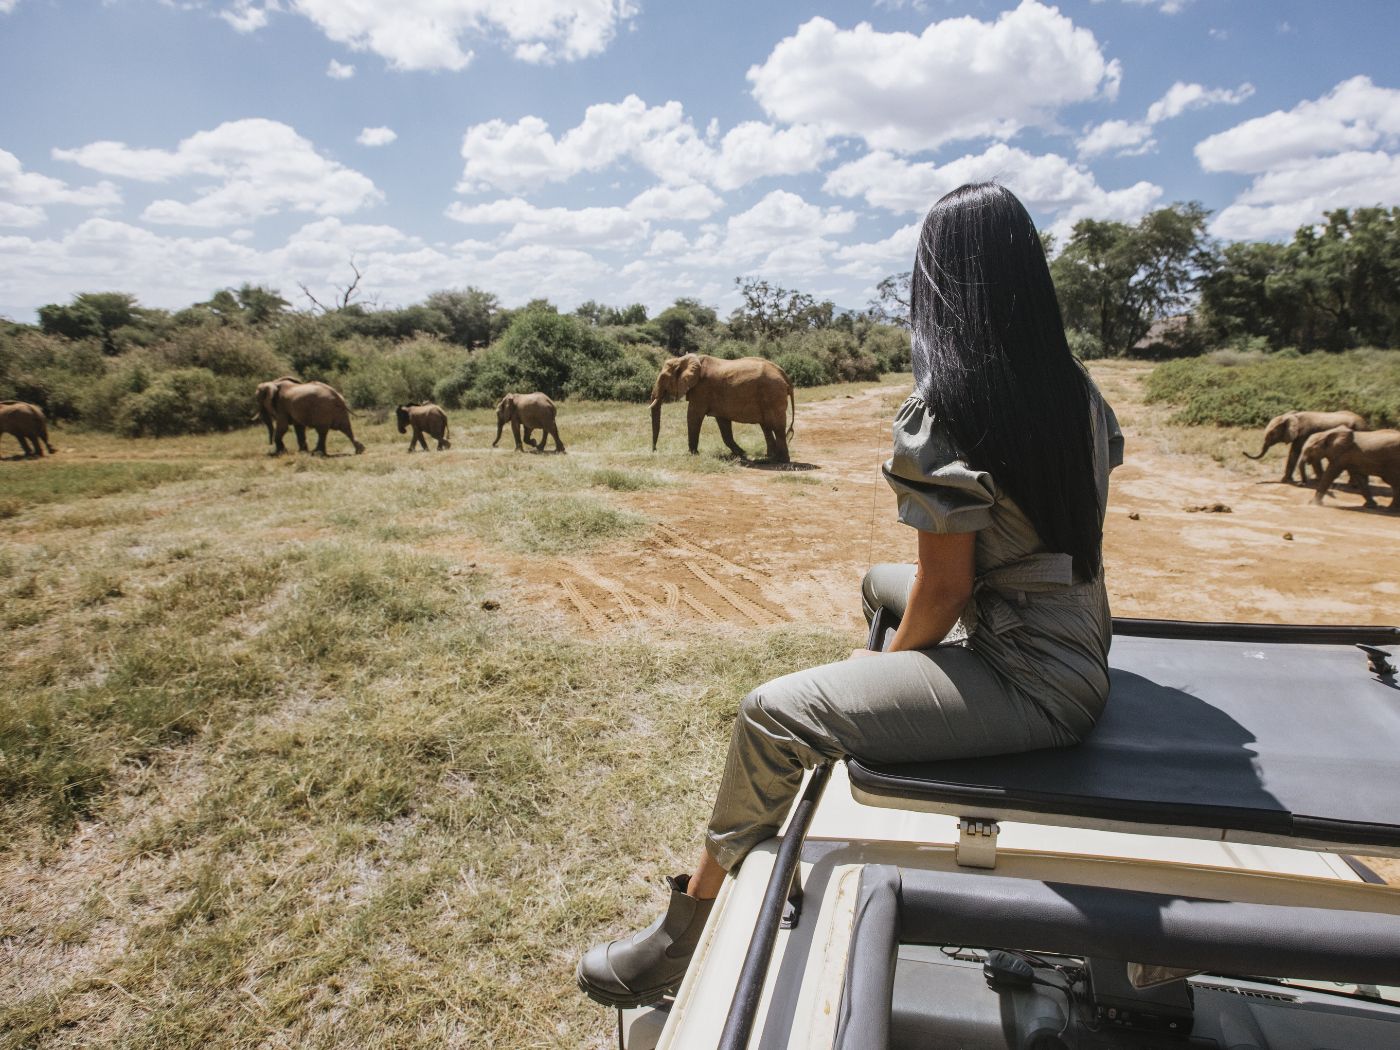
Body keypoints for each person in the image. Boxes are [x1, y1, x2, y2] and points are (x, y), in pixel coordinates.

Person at [576, 182, 1124, 1008]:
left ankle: (683, 935)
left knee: (773, 713)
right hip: (1079, 631)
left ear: (935, 282)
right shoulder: (1075, 388)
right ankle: (875, 706)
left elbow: (943, 594)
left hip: (1031, 676)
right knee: (879, 580)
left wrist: (887, 671)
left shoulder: (948, 405)